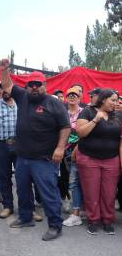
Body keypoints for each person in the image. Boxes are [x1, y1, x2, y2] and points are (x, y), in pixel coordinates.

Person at [0, 59, 70, 241]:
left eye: (37, 84)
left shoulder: (54, 104)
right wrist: (4, 69)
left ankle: (55, 225)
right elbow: (7, 84)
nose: (34, 88)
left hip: (44, 159)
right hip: (23, 157)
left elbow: (65, 127)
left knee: (48, 193)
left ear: (44, 85)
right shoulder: (22, 97)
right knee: (22, 190)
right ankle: (26, 217)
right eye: (31, 84)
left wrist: (60, 147)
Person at [76, 89, 121, 235]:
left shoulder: (118, 116)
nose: (116, 103)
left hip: (111, 159)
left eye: (117, 100)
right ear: (103, 99)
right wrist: (96, 119)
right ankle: (93, 220)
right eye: (113, 100)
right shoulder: (87, 112)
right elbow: (81, 133)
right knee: (91, 192)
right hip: (89, 158)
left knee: (109, 193)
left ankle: (107, 220)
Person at [0, 84, 18, 219]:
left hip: (19, 145)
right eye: (2, 89)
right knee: (4, 177)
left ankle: (27, 207)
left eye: (7, 88)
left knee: (23, 177)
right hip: (1, 145)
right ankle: (8, 206)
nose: (5, 91)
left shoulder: (20, 103)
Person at [62, 88, 84, 227]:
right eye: (69, 95)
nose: (72, 97)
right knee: (69, 179)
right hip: (64, 150)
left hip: (79, 150)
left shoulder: (84, 112)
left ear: (80, 97)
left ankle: (78, 211)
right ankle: (74, 205)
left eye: (75, 95)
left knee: (77, 180)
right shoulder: (62, 113)